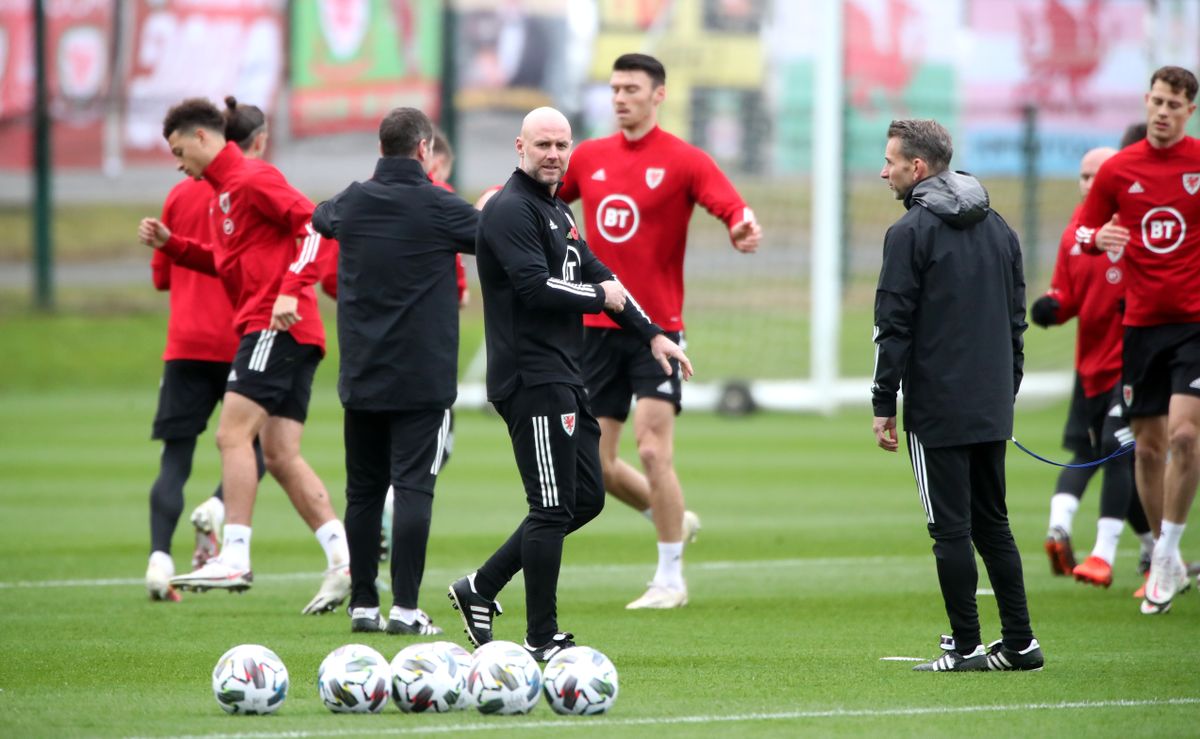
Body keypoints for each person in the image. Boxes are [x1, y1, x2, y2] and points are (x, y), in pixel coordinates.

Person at [447, 107, 693, 662]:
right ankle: (541, 637)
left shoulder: (556, 210)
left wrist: (651, 334)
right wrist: (595, 297)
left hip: (565, 374)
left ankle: (480, 586)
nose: (554, 154)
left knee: (585, 498)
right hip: (530, 379)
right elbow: (535, 289)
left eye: (562, 145)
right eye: (543, 145)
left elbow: (599, 271)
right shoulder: (509, 210)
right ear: (520, 146)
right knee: (551, 506)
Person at [556, 53, 761, 609]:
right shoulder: (590, 157)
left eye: (631, 88)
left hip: (658, 332)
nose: (620, 97)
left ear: (659, 95)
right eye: (615, 88)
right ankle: (672, 516)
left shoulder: (684, 160)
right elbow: (541, 203)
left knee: (651, 448)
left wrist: (742, 225)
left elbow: (729, 204)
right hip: (594, 329)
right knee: (595, 468)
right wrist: (498, 205)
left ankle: (670, 578)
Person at [137, 97, 351, 615]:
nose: (178, 161)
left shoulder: (253, 179)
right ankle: (345, 563)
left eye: (180, 149)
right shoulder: (221, 197)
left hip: (277, 326)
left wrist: (290, 288)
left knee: (232, 434)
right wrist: (175, 246)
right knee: (279, 454)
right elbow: (227, 262)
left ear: (205, 138)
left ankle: (233, 555)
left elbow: (318, 224)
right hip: (290, 331)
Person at [872, 118, 1042, 672]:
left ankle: (966, 647)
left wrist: (883, 404)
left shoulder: (908, 234)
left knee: (950, 529)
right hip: (991, 403)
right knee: (994, 524)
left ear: (916, 168)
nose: (884, 171)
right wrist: (1005, 392)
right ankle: (1021, 644)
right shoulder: (999, 227)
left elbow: (891, 327)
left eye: (891, 162)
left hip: (938, 409)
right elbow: (1017, 323)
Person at [311, 107, 479, 635]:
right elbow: (487, 236)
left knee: (362, 492)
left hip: (363, 374)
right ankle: (405, 609)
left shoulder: (354, 202)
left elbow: (321, 217)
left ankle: (364, 605)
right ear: (425, 149)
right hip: (422, 380)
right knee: (412, 490)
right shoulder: (440, 206)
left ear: (381, 147)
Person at [1076, 65, 1200, 614]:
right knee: (1146, 449)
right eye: (1156, 101)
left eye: (1174, 104)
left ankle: (1167, 554)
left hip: (1194, 325)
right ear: (1146, 102)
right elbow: (1082, 231)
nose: (1162, 111)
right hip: (1140, 325)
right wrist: (1098, 238)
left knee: (1185, 437)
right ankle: (1166, 558)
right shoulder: (1119, 170)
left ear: (1189, 110)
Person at [144, 99, 271, 602]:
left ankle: (158, 560)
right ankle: (218, 511)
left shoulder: (179, 196)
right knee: (251, 452)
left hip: (185, 343)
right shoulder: (252, 186)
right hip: (241, 338)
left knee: (175, 459)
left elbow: (161, 277)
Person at [1033, 146, 1154, 590]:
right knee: (1094, 454)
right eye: (1083, 176)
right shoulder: (1074, 236)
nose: (1089, 184)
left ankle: (1103, 554)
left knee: (1115, 447)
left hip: (1134, 368)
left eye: (1097, 176)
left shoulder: (1140, 229)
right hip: (1091, 369)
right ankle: (1155, 553)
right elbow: (1069, 296)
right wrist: (1051, 308)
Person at [378, 126, 470, 562]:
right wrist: (460, 287)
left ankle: (364, 583)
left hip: (373, 351)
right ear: (430, 157)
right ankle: (404, 594)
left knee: (372, 463)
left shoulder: (366, 201)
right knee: (434, 450)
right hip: (426, 351)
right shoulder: (440, 199)